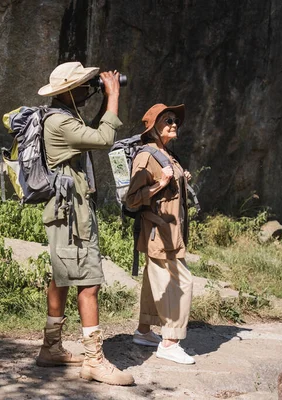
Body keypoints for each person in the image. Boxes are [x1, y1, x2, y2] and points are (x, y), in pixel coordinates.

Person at [35, 61, 134, 386]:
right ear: (69, 91)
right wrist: (114, 95)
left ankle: (51, 347)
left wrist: (104, 99)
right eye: (84, 84)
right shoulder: (61, 123)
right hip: (72, 211)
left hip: (64, 207)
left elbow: (90, 133)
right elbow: (104, 139)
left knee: (61, 276)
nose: (87, 87)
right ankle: (94, 360)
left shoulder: (61, 117)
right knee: (88, 283)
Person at [125, 103, 195, 365]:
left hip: (170, 232)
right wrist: (159, 184)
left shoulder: (167, 154)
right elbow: (131, 200)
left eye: (175, 120)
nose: (173, 124)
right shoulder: (146, 156)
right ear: (154, 126)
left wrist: (179, 178)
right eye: (167, 120)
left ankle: (144, 332)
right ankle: (170, 342)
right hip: (159, 233)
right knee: (181, 282)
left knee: (153, 281)